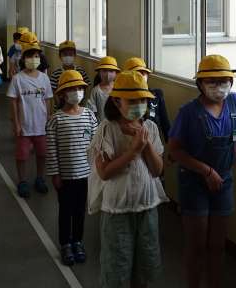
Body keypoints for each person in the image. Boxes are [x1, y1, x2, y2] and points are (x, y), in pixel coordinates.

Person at [168, 54, 236, 288]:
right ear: (200, 84)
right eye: (212, 81)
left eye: (223, 81)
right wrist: (206, 171)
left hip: (223, 181)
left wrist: (231, 160)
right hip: (194, 183)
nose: (219, 86)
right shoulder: (189, 112)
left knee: (217, 246)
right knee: (196, 246)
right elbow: (174, 150)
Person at [88, 71, 168, 288]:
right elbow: (105, 172)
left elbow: (157, 170)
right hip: (118, 209)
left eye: (142, 100)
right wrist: (132, 151)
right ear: (117, 101)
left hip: (147, 206)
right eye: (132, 101)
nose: (139, 106)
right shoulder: (107, 128)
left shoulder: (150, 128)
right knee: (117, 268)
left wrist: (146, 145)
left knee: (144, 268)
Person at [46, 70, 98, 266]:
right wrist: (55, 174)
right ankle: (65, 244)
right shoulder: (56, 119)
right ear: (62, 94)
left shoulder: (89, 116)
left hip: (85, 175)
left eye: (79, 88)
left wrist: (96, 172)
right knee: (65, 210)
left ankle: (77, 241)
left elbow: (96, 145)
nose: (76, 92)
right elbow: (51, 149)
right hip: (66, 177)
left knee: (79, 211)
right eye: (71, 89)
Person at [7, 31, 53, 198]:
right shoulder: (17, 79)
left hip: (41, 125)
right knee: (22, 156)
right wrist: (16, 124)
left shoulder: (44, 79)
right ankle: (22, 181)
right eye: (30, 56)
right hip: (24, 126)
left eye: (36, 56)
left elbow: (48, 100)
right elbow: (13, 102)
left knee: (42, 154)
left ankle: (40, 178)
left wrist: (48, 119)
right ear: (23, 58)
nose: (34, 59)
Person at [123, 57, 171, 142]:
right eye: (136, 74)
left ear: (147, 75)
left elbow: (165, 121)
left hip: (154, 140)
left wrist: (169, 141)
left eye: (143, 73)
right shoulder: (124, 100)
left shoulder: (157, 95)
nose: (141, 77)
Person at [50, 40, 91, 108]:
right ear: (60, 56)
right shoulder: (55, 74)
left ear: (75, 56)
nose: (68, 56)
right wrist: (59, 106)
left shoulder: (81, 72)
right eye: (65, 54)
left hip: (79, 108)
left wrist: (82, 104)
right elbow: (54, 92)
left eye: (70, 54)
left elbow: (86, 88)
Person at [86, 56, 120, 124]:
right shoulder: (95, 91)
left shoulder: (118, 89)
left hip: (116, 124)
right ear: (99, 72)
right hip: (101, 125)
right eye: (104, 71)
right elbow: (92, 111)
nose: (108, 74)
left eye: (111, 71)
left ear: (116, 73)